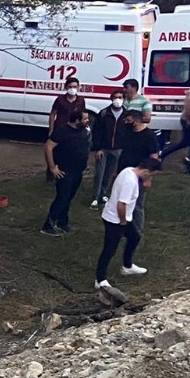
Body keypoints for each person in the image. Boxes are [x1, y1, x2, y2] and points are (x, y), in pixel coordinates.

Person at [95, 158, 160, 289]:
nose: (151, 178)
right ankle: (100, 280)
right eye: (151, 175)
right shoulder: (130, 182)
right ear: (146, 171)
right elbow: (121, 204)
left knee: (135, 237)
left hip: (124, 217)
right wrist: (123, 221)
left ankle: (127, 266)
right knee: (109, 249)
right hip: (115, 219)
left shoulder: (128, 170)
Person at [41, 108, 91, 236]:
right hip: (65, 171)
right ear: (76, 120)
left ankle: (63, 222)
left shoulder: (84, 130)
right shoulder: (62, 131)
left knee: (69, 198)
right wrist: (52, 167)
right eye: (85, 118)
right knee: (62, 198)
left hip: (78, 170)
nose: (88, 121)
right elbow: (48, 147)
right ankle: (48, 225)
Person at [90, 89, 128, 208]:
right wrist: (98, 148)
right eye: (115, 97)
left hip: (118, 149)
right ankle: (95, 197)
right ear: (111, 99)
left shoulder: (126, 115)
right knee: (99, 174)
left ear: (124, 99)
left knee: (109, 173)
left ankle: (103, 193)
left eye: (120, 97)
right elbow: (97, 132)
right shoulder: (104, 113)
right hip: (104, 149)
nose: (118, 100)